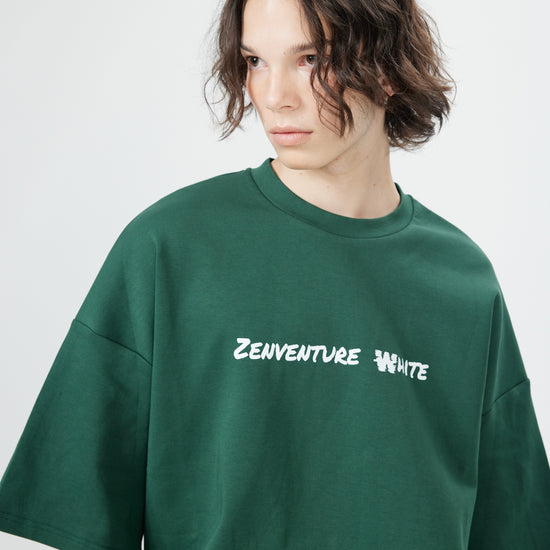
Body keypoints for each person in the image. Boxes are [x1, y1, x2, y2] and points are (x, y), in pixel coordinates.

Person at [0, 0, 549, 548]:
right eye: (255, 61)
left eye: (311, 59)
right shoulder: (169, 247)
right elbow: (73, 514)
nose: (274, 96)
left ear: (388, 67)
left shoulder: (463, 281)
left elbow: (511, 528)